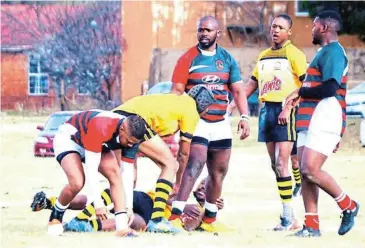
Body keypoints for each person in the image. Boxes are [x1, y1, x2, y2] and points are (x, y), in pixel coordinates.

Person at [169, 16, 250, 232]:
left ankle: (209, 221)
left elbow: (238, 90)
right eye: (201, 30)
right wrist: (179, 115)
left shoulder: (227, 59)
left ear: (218, 34)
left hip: (221, 121)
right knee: (194, 166)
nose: (204, 33)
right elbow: (176, 91)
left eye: (208, 30)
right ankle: (175, 217)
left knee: (219, 171)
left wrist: (244, 117)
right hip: (196, 122)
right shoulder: (187, 58)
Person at [284, 10, 359, 237]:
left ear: (325, 28)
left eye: (315, 25)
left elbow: (330, 89)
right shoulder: (323, 52)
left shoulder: (334, 52)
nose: (312, 29)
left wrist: (301, 90)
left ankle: (349, 205)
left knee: (310, 169)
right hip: (311, 118)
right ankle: (312, 227)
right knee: (306, 174)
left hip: (326, 114)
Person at [112, 85, 215, 233]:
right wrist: (178, 183)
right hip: (135, 121)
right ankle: (157, 219)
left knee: (127, 177)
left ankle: (100, 216)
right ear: (204, 107)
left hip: (117, 119)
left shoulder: (176, 100)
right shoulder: (192, 110)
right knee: (170, 165)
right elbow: (183, 153)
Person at [237, 14, 307, 231]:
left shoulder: (295, 54)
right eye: (273, 26)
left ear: (289, 32)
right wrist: (234, 104)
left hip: (285, 111)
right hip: (267, 110)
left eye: (280, 27)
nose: (275, 30)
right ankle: (292, 208)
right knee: (275, 165)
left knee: (282, 163)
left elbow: (306, 86)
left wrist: (289, 107)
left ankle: (288, 217)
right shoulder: (264, 55)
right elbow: (252, 85)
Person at [47, 110, 147, 237]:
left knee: (115, 174)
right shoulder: (101, 126)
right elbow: (92, 170)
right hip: (71, 139)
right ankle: (56, 215)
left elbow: (127, 174)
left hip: (95, 142)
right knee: (77, 182)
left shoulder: (132, 137)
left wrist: (129, 206)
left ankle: (122, 228)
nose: (131, 145)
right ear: (122, 129)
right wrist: (98, 204)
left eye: (134, 142)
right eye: (128, 141)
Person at [30, 177, 224, 232]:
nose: (201, 188)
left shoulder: (201, 215)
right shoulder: (183, 194)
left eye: (205, 188)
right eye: (201, 185)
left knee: (126, 221)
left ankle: (64, 220)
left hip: (147, 217)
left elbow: (194, 227)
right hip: (146, 202)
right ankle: (52, 205)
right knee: (96, 202)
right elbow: (169, 191)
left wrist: (203, 209)